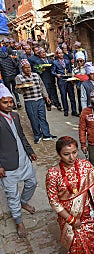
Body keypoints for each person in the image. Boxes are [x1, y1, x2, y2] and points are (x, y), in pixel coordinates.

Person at [46, 136, 94, 254]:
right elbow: (53, 201)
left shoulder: (85, 165)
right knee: (77, 249)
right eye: (66, 154)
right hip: (70, 216)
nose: (72, 157)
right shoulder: (53, 174)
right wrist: (71, 220)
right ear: (59, 154)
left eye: (74, 152)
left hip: (89, 215)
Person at [0, 84, 38, 238]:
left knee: (32, 182)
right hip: (7, 164)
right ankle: (19, 221)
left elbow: (22, 136)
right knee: (12, 195)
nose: (9, 105)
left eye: (11, 102)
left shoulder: (15, 115)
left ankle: (24, 201)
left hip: (23, 159)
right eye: (5, 102)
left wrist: (30, 151)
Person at [15, 59, 57, 144]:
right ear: (22, 68)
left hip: (40, 99)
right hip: (30, 101)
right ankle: (37, 135)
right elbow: (19, 91)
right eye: (25, 68)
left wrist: (46, 96)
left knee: (42, 117)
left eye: (29, 67)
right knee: (34, 119)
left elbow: (42, 86)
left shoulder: (36, 75)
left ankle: (46, 134)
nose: (28, 69)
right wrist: (24, 88)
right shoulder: (19, 77)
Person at [51, 47, 78, 117]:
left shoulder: (67, 61)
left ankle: (74, 111)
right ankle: (66, 110)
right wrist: (57, 75)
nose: (61, 55)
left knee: (72, 95)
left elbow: (70, 70)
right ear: (57, 54)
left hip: (69, 80)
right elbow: (52, 71)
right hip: (61, 80)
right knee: (63, 95)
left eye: (62, 53)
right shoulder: (55, 62)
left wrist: (71, 75)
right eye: (59, 53)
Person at [37, 47, 62, 111]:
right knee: (47, 92)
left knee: (54, 91)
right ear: (39, 54)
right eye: (42, 53)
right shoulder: (38, 61)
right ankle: (48, 104)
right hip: (45, 78)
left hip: (51, 78)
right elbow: (38, 71)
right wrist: (41, 70)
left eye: (44, 52)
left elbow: (53, 68)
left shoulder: (50, 60)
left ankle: (57, 104)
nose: (43, 54)